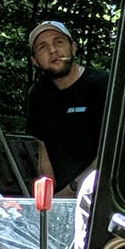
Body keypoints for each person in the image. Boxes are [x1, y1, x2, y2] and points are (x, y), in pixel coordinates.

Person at [26, 19, 108, 195]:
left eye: (59, 42)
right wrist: (49, 193)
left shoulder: (103, 86)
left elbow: (110, 153)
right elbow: (43, 146)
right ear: (35, 60)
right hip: (61, 197)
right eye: (42, 47)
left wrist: (71, 191)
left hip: (101, 193)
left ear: (73, 47)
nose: (53, 50)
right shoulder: (38, 93)